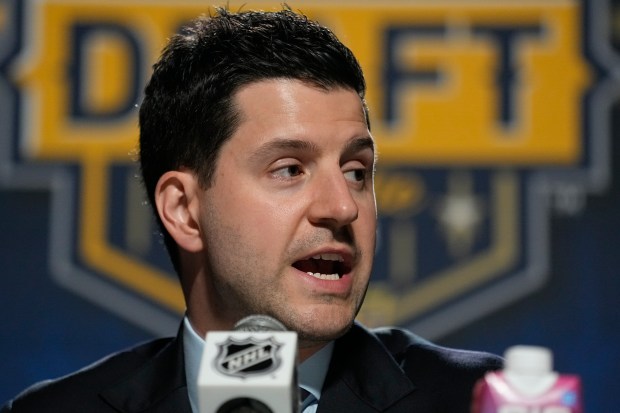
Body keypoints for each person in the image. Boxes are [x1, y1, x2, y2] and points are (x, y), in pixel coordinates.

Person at [1, 7, 502, 413]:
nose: (342, 206)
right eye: (290, 169)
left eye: (356, 170)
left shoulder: (483, 401)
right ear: (184, 210)